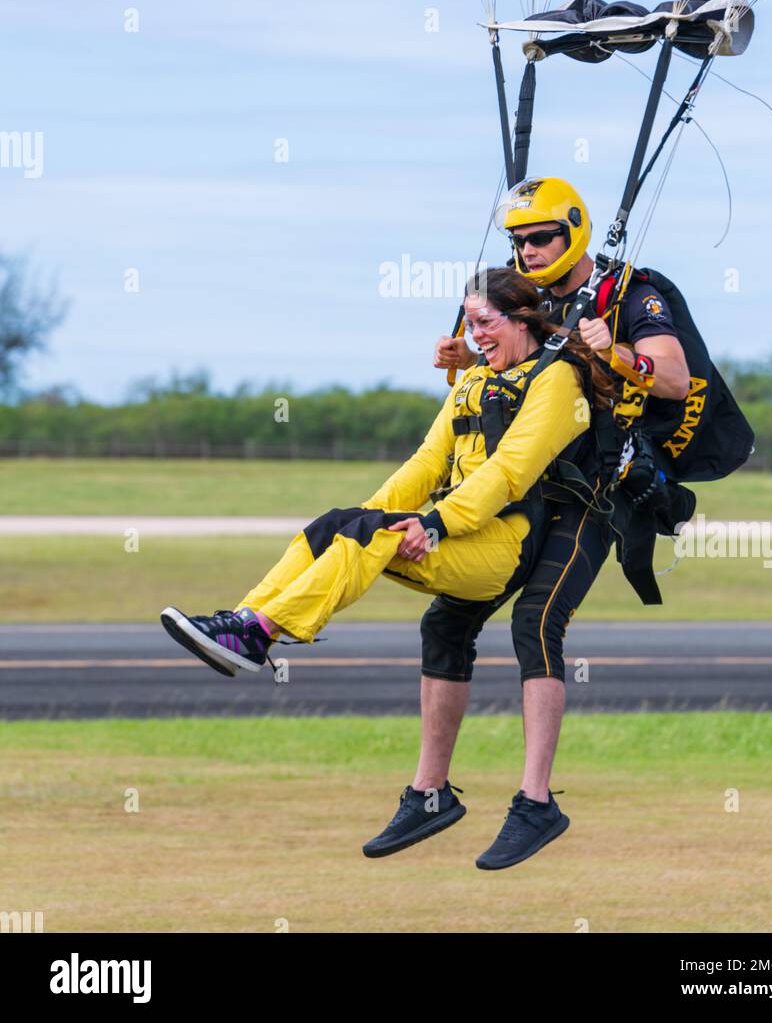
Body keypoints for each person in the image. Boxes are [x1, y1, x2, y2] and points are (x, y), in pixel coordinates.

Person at [160, 266, 614, 868]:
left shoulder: (555, 381)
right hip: (457, 531)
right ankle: (247, 619)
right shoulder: (474, 382)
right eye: (468, 322)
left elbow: (510, 472)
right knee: (336, 526)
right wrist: (370, 514)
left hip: (502, 543)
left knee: (370, 539)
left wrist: (434, 524)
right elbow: (424, 465)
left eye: (485, 323)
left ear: (522, 319)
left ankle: (261, 633)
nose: (473, 334)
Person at [419, 176, 692, 867]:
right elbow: (503, 375)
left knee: (536, 623)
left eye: (540, 237)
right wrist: (462, 358)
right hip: (533, 487)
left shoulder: (630, 293)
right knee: (447, 620)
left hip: (598, 490)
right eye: (517, 240)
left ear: (573, 229)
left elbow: (673, 380)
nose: (528, 251)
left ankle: (536, 803)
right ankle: (429, 793)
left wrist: (615, 350)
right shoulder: (524, 298)